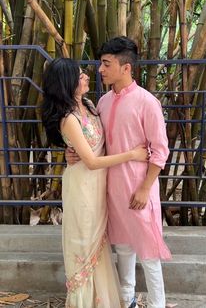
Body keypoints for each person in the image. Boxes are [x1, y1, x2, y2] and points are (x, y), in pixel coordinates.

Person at [66, 36, 172, 308]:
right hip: (111, 189)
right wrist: (72, 153)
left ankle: (157, 304)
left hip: (138, 187)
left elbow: (160, 151)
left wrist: (146, 188)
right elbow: (94, 142)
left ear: (126, 68)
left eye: (106, 64)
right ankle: (127, 300)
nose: (100, 70)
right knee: (123, 247)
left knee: (149, 253)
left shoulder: (147, 102)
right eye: (101, 64)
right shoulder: (101, 103)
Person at [41, 57, 148, 308]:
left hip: (99, 186)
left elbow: (100, 142)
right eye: (80, 76)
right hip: (82, 188)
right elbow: (90, 161)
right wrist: (133, 154)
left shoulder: (89, 104)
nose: (87, 76)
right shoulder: (68, 118)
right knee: (85, 243)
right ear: (68, 83)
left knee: (99, 244)